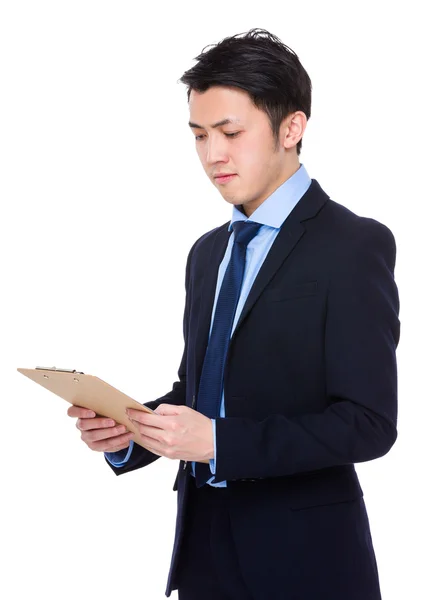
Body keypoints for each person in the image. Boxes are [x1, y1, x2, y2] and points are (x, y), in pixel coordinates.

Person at [68, 28, 401, 600]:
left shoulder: (352, 245)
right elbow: (197, 393)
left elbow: (369, 424)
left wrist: (221, 442)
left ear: (291, 128)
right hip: (202, 554)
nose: (212, 155)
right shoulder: (208, 253)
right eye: (199, 135)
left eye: (230, 132)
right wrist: (130, 432)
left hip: (307, 563)